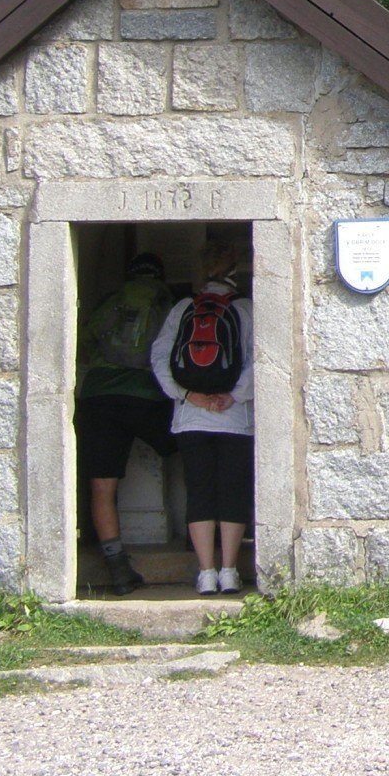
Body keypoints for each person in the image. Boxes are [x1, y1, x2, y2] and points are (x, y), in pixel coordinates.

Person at [150, 238, 255, 596]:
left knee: (200, 492)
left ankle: (205, 573)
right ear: (233, 271)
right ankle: (229, 572)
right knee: (232, 492)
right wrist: (233, 396)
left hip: (190, 418)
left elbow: (160, 357)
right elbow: (258, 361)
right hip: (235, 419)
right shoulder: (244, 309)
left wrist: (186, 394)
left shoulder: (183, 308)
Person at [75, 252, 175, 595]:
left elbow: (84, 347)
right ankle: (204, 544)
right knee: (192, 453)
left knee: (102, 486)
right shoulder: (166, 299)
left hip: (98, 397)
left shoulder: (110, 301)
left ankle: (118, 569)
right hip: (147, 396)